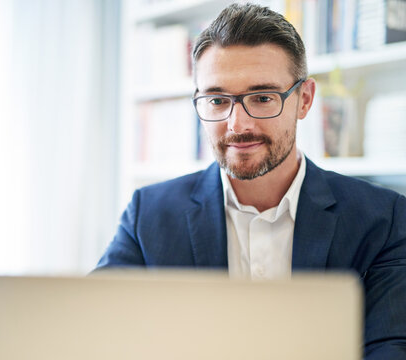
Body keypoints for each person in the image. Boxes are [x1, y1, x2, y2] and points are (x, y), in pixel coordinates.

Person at [96, 3, 406, 359]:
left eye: (261, 98)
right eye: (217, 100)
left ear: (304, 100)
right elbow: (95, 330)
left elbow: (390, 348)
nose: (238, 125)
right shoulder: (148, 216)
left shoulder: (384, 219)